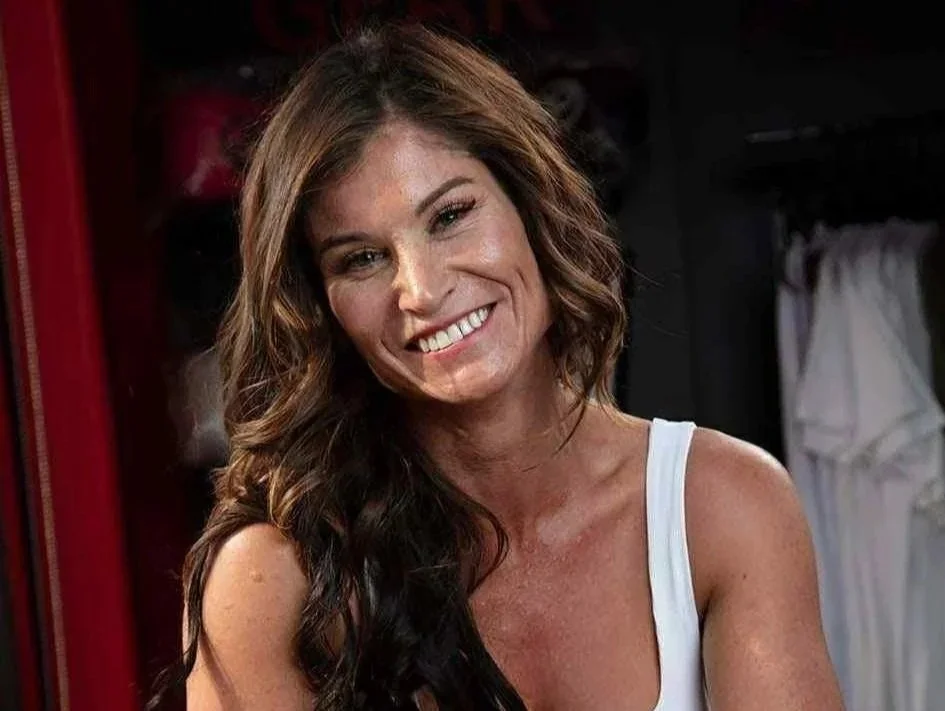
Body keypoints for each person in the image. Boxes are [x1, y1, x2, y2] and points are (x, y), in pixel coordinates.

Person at [157, 23, 844, 711]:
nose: (422, 290)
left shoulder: (720, 506)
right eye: (360, 258)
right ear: (320, 305)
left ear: (531, 207)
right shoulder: (273, 583)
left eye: (451, 214)